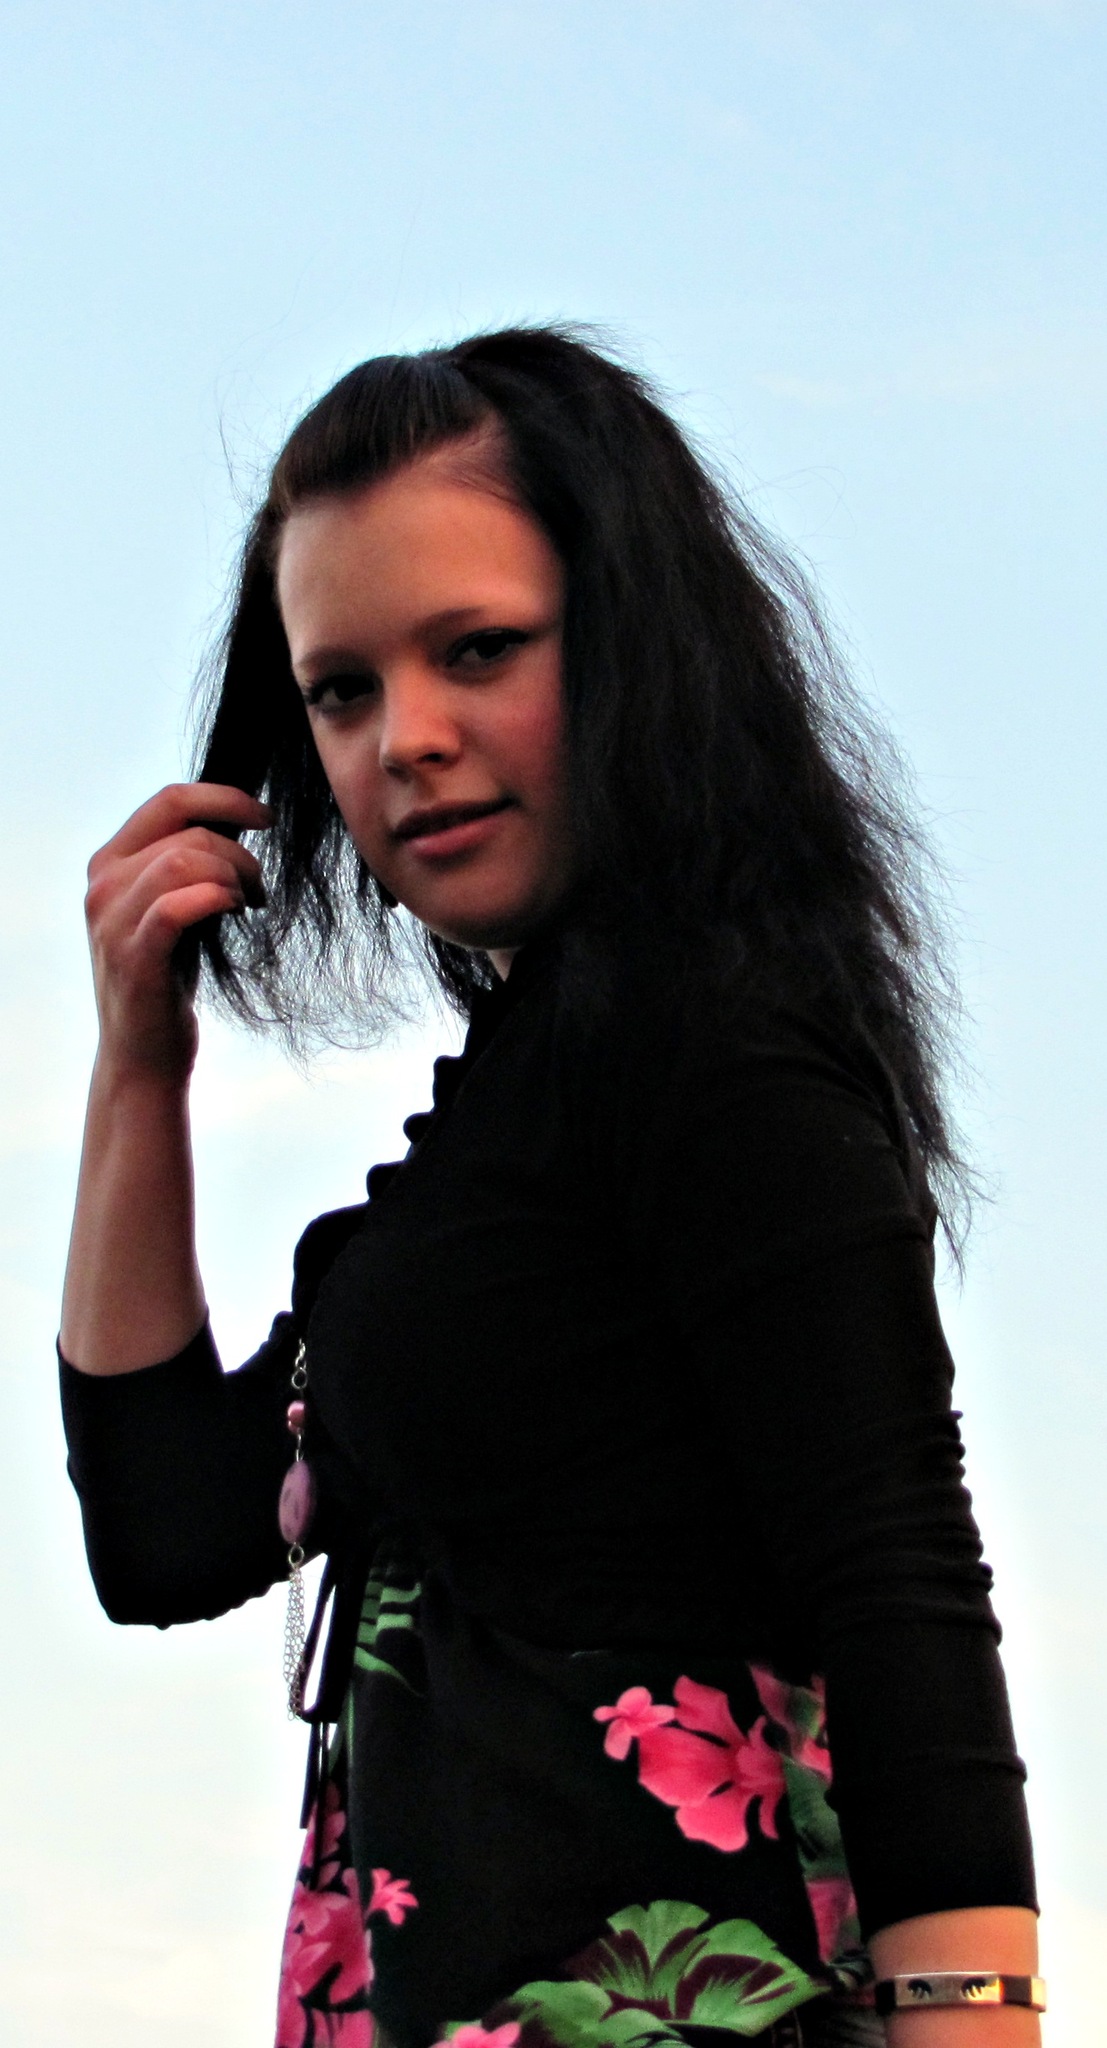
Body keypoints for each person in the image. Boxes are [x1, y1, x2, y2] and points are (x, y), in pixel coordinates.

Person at [59, 328, 1041, 2048]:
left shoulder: (715, 1043)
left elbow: (899, 1576)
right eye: (341, 690)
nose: (407, 739)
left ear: (634, 642)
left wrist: (980, 2023)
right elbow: (169, 1528)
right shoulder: (486, 1152)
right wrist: (139, 1065)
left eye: (479, 650)